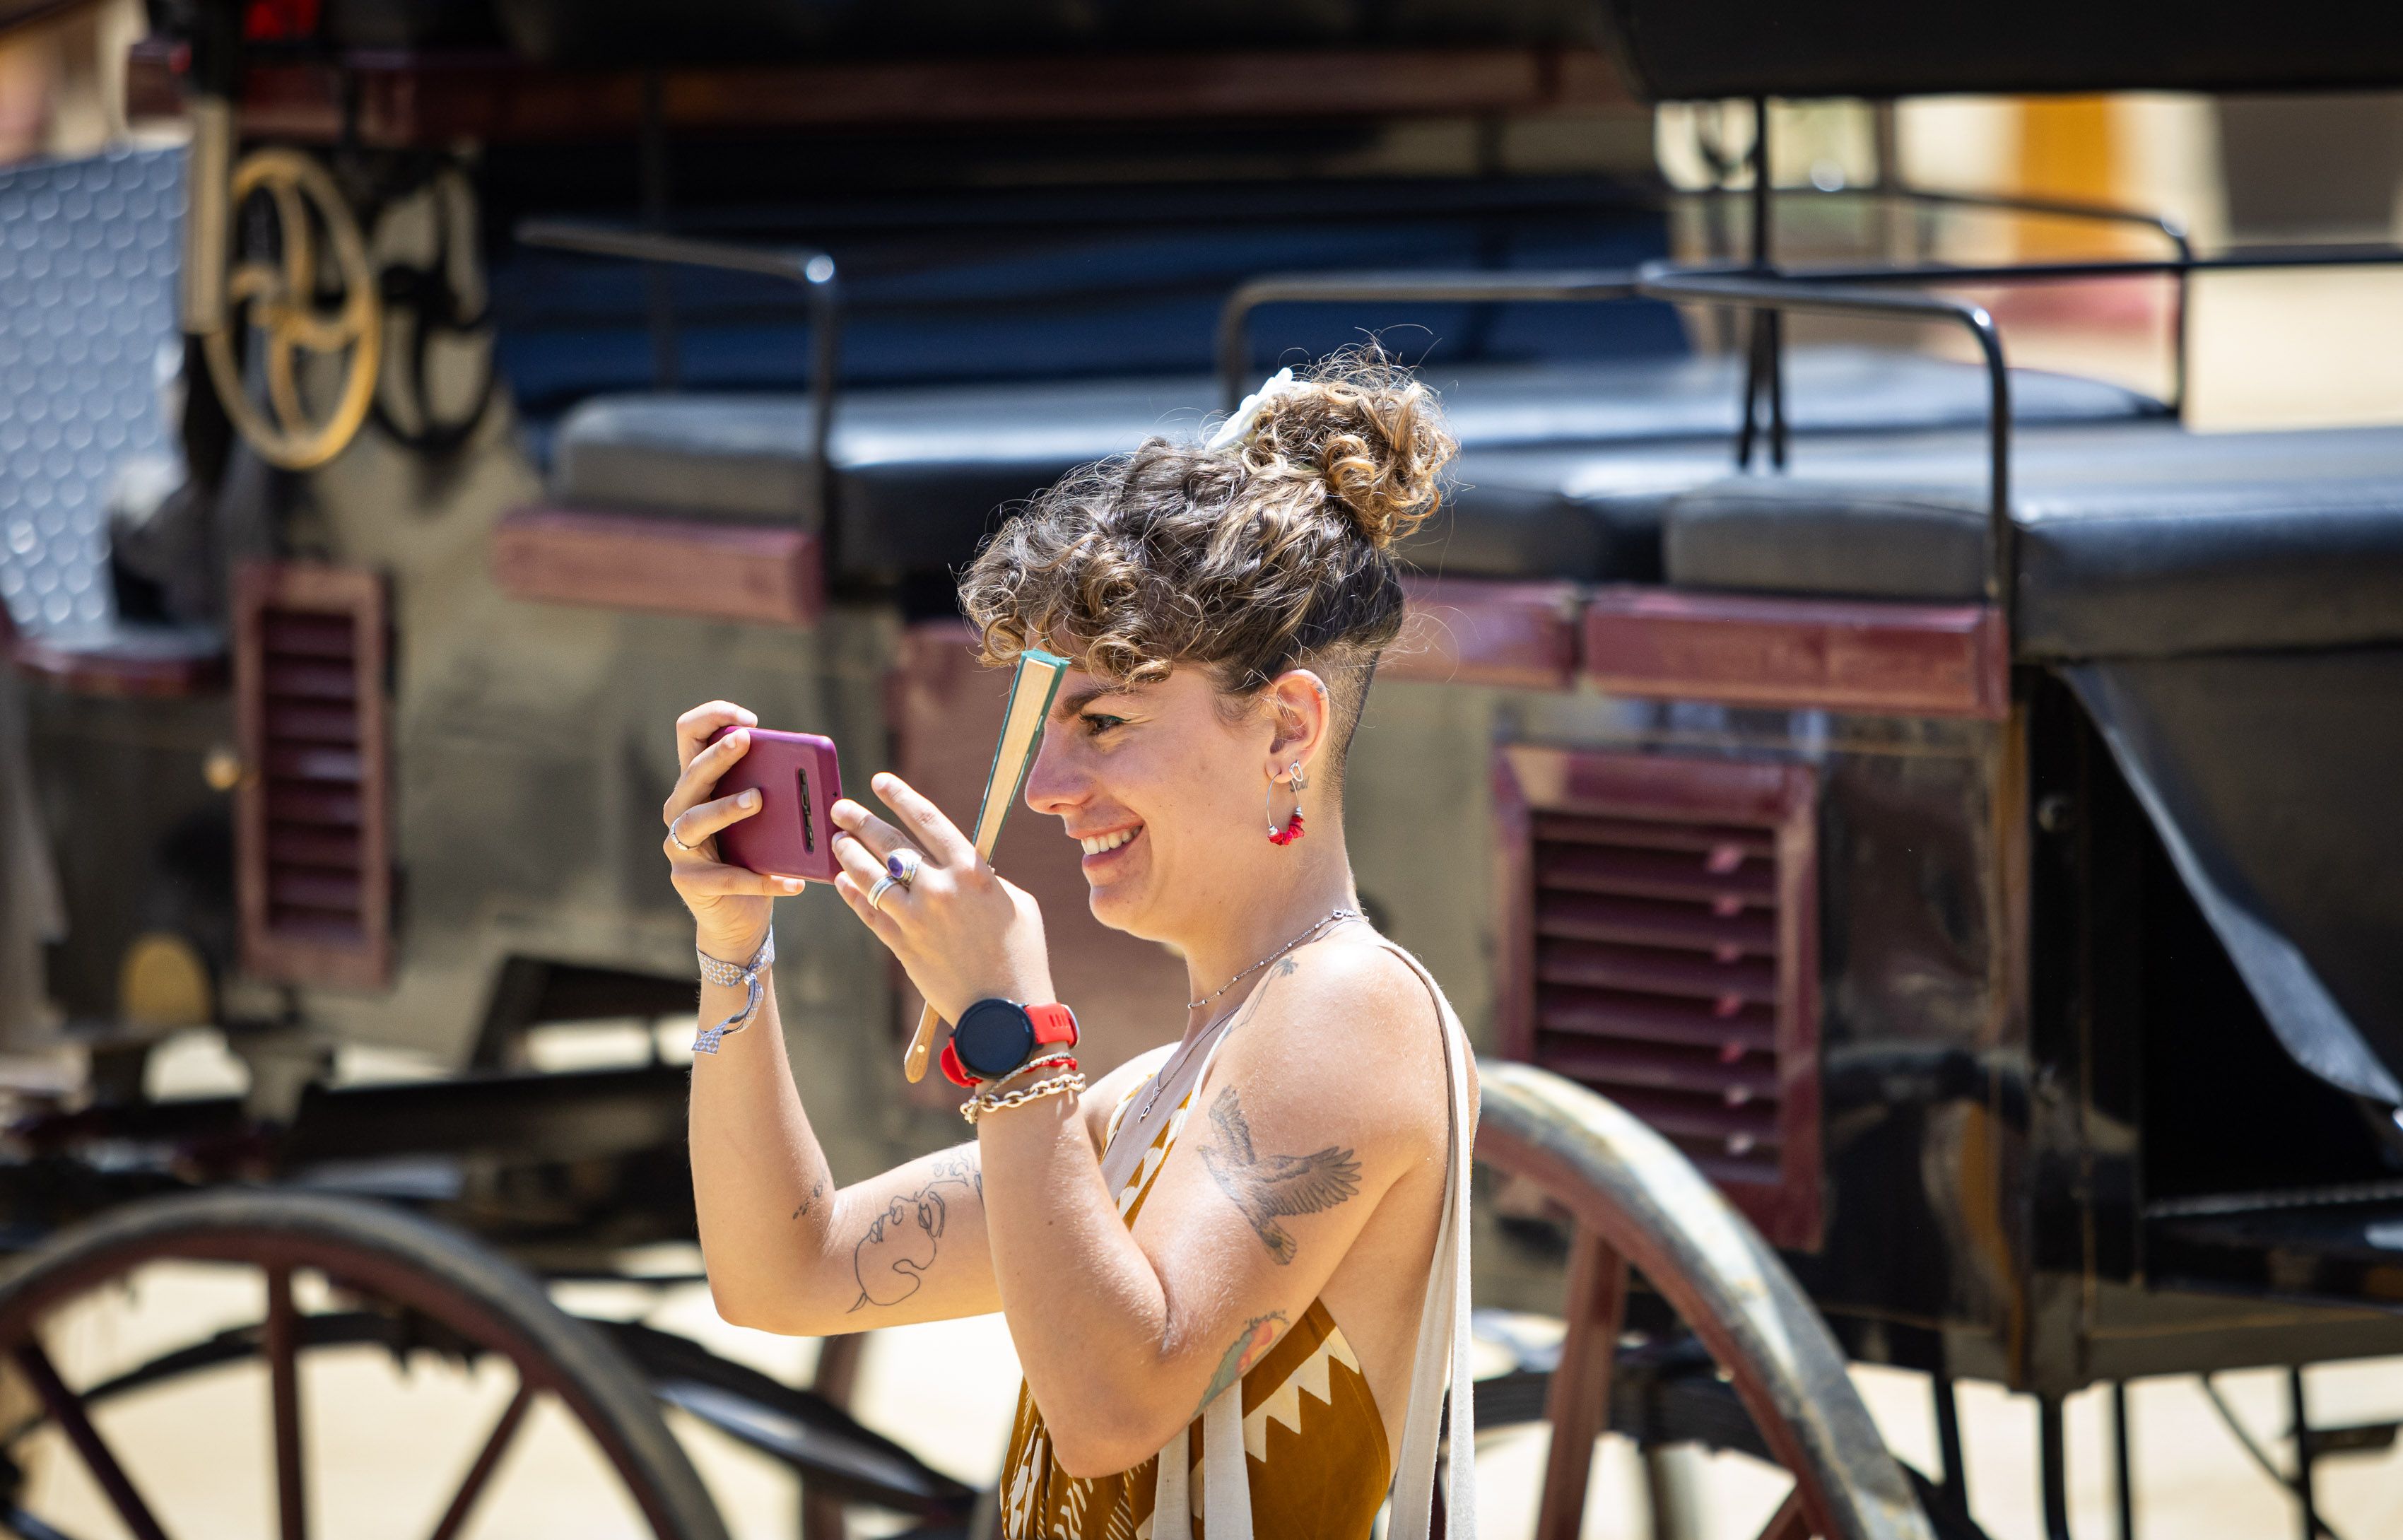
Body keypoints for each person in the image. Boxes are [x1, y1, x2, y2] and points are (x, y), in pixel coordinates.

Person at [661, 352, 1479, 1539]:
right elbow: (785, 1272)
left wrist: (1012, 1031)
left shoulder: (1351, 1003)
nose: (1046, 786)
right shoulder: (1152, 1092)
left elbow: (1111, 1408)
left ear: (1288, 727)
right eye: (1046, 728)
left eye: (1102, 720)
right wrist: (732, 947)